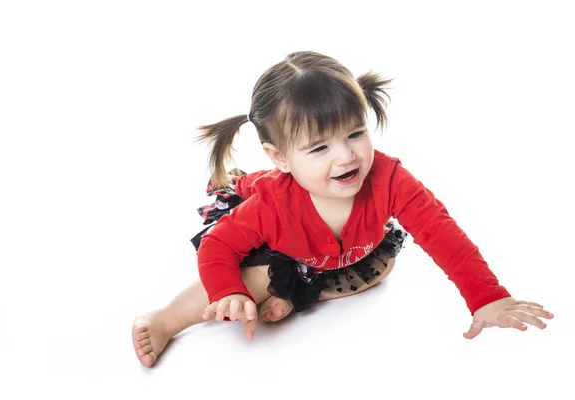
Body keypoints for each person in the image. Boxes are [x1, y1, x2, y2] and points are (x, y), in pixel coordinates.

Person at [132, 50, 554, 367]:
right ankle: (167, 320)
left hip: (345, 250)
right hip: (278, 244)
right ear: (280, 158)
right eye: (319, 148)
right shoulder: (270, 206)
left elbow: (440, 232)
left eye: (355, 134)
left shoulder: (388, 179)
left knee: (381, 268)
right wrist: (228, 291)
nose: (346, 157)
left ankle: (295, 295)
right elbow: (217, 248)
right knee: (257, 279)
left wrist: (485, 298)